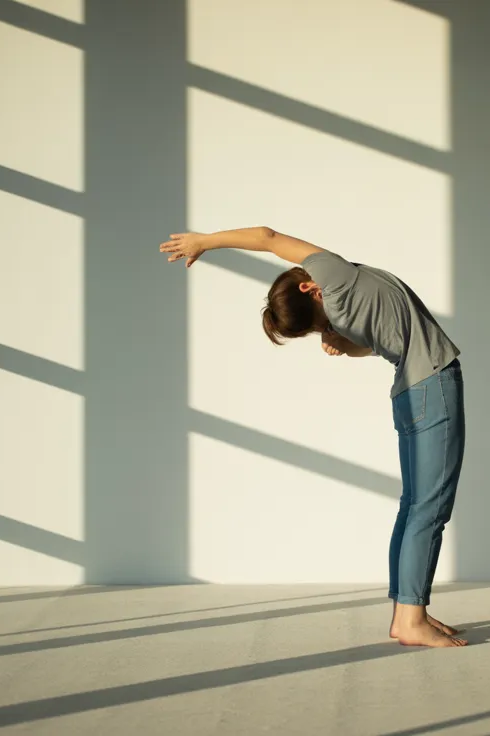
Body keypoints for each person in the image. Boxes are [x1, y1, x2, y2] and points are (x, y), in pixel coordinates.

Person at [160, 226, 468, 648]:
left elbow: (379, 345)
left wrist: (342, 344)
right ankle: (411, 621)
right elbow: (268, 237)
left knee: (414, 505)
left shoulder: (338, 315)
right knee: (430, 507)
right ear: (310, 287)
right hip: (432, 384)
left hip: (409, 392)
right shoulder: (334, 279)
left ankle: (408, 613)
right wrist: (203, 241)